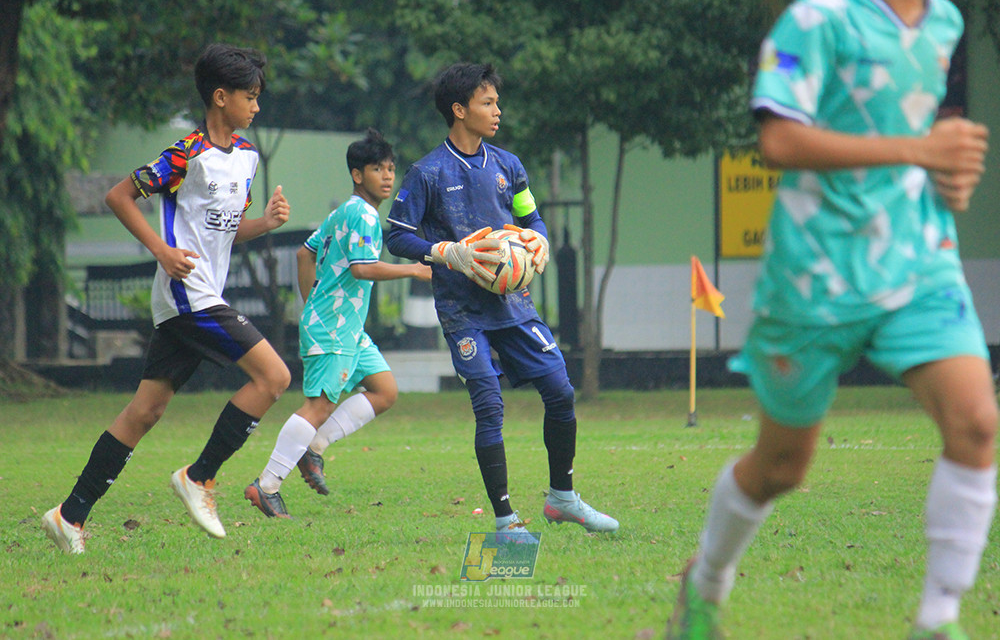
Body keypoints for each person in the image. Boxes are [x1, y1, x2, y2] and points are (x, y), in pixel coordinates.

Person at [666, 0, 996, 639]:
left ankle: (938, 619)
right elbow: (779, 141)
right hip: (814, 273)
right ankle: (704, 586)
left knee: (978, 425)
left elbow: (912, 140)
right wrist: (919, 149)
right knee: (781, 466)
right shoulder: (819, 15)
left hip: (917, 258)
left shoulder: (945, 21)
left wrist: (947, 175)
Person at [42, 43, 292, 554]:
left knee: (145, 411)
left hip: (199, 297)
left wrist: (265, 223)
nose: (256, 106)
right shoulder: (185, 154)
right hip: (187, 295)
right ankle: (200, 477)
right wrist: (161, 250)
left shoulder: (246, 157)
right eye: (249, 96)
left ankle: (70, 515)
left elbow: (226, 231)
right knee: (274, 377)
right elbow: (119, 196)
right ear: (220, 97)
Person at [385, 62, 618, 540]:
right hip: (463, 312)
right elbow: (397, 237)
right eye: (487, 103)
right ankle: (505, 521)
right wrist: (445, 251)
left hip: (514, 304)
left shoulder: (509, 166)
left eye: (496, 102)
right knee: (490, 406)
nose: (497, 111)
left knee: (560, 391)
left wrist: (540, 241)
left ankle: (562, 498)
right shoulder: (427, 172)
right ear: (459, 110)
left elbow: (531, 219)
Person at [244, 128, 431, 518]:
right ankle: (267, 485)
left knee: (384, 390)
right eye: (377, 169)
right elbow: (362, 268)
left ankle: (312, 448)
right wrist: (414, 269)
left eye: (390, 168)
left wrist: (312, 303)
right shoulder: (362, 214)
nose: (387, 176)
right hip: (334, 326)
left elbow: (303, 254)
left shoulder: (343, 212)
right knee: (319, 406)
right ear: (357, 175)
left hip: (346, 328)